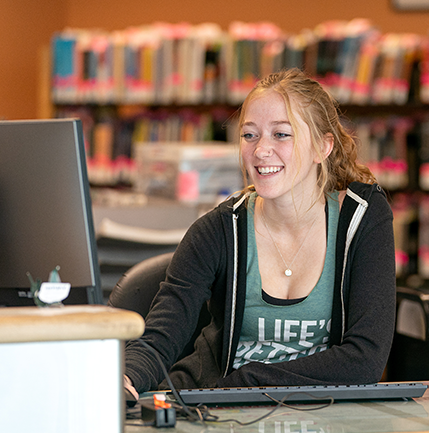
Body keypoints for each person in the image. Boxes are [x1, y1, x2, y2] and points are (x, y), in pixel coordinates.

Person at [123, 68, 396, 397]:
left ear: (322, 147)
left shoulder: (363, 219)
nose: (260, 150)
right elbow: (159, 339)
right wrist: (125, 378)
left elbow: (364, 360)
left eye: (281, 134)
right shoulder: (219, 229)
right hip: (216, 413)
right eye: (249, 135)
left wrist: (250, 381)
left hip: (314, 411)